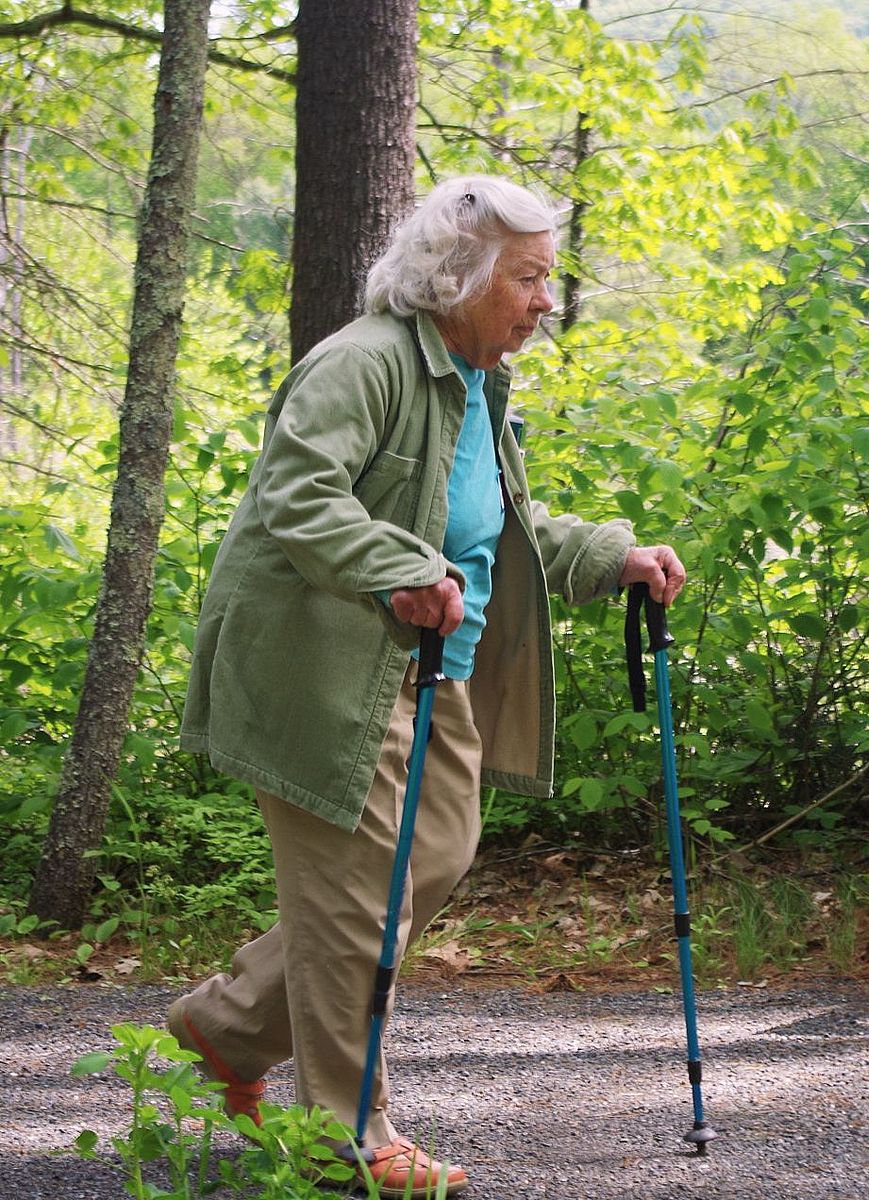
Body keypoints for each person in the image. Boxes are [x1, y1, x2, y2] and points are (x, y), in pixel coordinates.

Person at [172, 175, 686, 1198]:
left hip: (429, 668)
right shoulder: (359, 365)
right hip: (322, 672)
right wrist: (398, 571)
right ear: (461, 274)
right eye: (531, 278)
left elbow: (498, 531)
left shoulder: (473, 384)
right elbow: (296, 496)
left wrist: (610, 554)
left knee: (433, 862)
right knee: (357, 907)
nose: (547, 301)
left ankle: (226, 1028)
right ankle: (346, 1140)